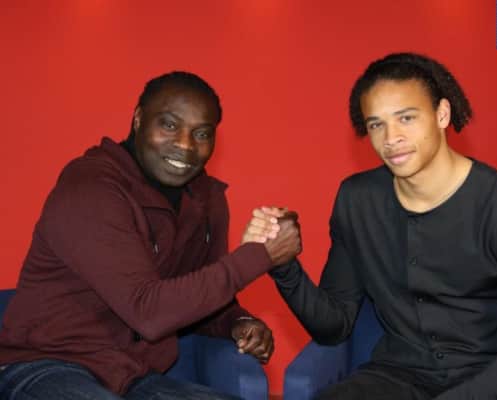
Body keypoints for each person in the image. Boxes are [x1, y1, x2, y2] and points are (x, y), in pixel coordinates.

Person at [248, 53, 497, 399]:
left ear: (442, 114)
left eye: (406, 118)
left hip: (494, 381)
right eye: (376, 125)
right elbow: (334, 327)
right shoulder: (357, 200)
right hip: (398, 377)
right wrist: (284, 266)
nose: (391, 137)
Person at [0, 71, 301, 400]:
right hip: (44, 366)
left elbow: (195, 302)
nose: (185, 145)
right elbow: (149, 312)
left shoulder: (206, 200)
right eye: (169, 125)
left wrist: (237, 323)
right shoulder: (90, 187)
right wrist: (260, 254)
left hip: (131, 376)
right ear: (138, 118)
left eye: (202, 133)